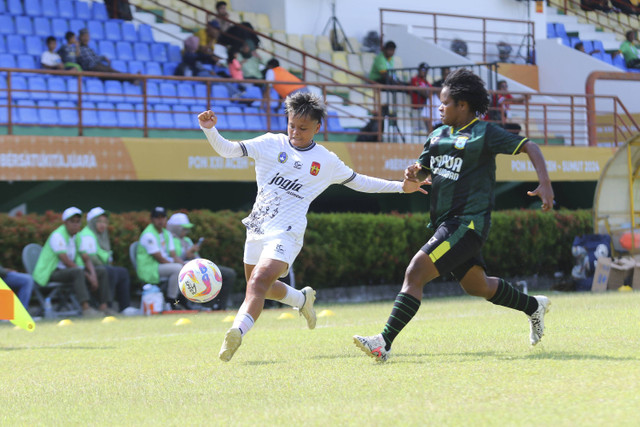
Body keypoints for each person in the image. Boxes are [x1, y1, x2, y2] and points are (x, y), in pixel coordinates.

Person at [198, 91, 428, 361]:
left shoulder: (326, 161)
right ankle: (301, 299)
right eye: (292, 125)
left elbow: (361, 182)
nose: (295, 132)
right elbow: (228, 150)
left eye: (303, 128)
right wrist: (209, 129)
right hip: (257, 228)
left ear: (318, 127)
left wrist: (402, 188)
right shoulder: (271, 143)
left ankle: (236, 332)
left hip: (288, 233)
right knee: (260, 287)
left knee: (258, 283)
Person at [353, 68, 554, 362]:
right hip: (444, 222)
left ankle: (383, 342)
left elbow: (530, 146)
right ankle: (533, 306)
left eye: (445, 103)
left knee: (415, 271)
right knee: (478, 286)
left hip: (467, 223)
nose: (439, 107)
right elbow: (422, 171)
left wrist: (545, 184)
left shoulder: (484, 133)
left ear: (463, 105)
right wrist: (414, 173)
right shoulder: (436, 135)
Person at [32, 207, 110, 317]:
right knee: (77, 272)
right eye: (72, 222)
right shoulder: (57, 235)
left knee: (101, 271)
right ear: (65, 223)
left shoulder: (77, 236)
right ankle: (85, 308)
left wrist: (93, 275)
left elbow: (85, 257)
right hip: (52, 272)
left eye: (78, 222)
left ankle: (104, 307)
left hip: (69, 271)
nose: (75, 225)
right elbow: (66, 261)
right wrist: (87, 275)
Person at [167, 212, 236, 311]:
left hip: (197, 267)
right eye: (184, 228)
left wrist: (195, 254)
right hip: (185, 270)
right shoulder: (169, 240)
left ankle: (219, 306)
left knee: (228, 274)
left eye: (187, 228)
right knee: (204, 278)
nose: (186, 231)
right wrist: (186, 254)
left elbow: (197, 258)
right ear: (176, 228)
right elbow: (172, 259)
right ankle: (206, 305)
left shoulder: (187, 240)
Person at [76, 207, 139, 316]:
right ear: (92, 222)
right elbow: (91, 259)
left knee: (122, 272)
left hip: (99, 267)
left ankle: (125, 307)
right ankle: (106, 306)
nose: (103, 225)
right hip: (86, 268)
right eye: (99, 221)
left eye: (105, 222)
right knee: (109, 271)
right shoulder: (87, 235)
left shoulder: (102, 236)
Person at [135, 207, 185, 310]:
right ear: (152, 219)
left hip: (162, 265)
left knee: (189, 267)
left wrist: (185, 264)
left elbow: (173, 255)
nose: (160, 220)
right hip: (150, 269)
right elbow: (160, 259)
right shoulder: (148, 235)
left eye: (163, 217)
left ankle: (187, 301)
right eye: (157, 218)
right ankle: (171, 301)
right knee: (177, 269)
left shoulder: (166, 234)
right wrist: (180, 266)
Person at [410, 63, 433, 133]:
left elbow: (431, 93)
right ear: (419, 70)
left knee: (424, 130)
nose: (424, 71)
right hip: (416, 108)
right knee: (417, 130)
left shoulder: (427, 82)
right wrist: (427, 93)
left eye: (426, 70)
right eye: (422, 69)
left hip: (425, 109)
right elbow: (421, 92)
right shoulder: (414, 79)